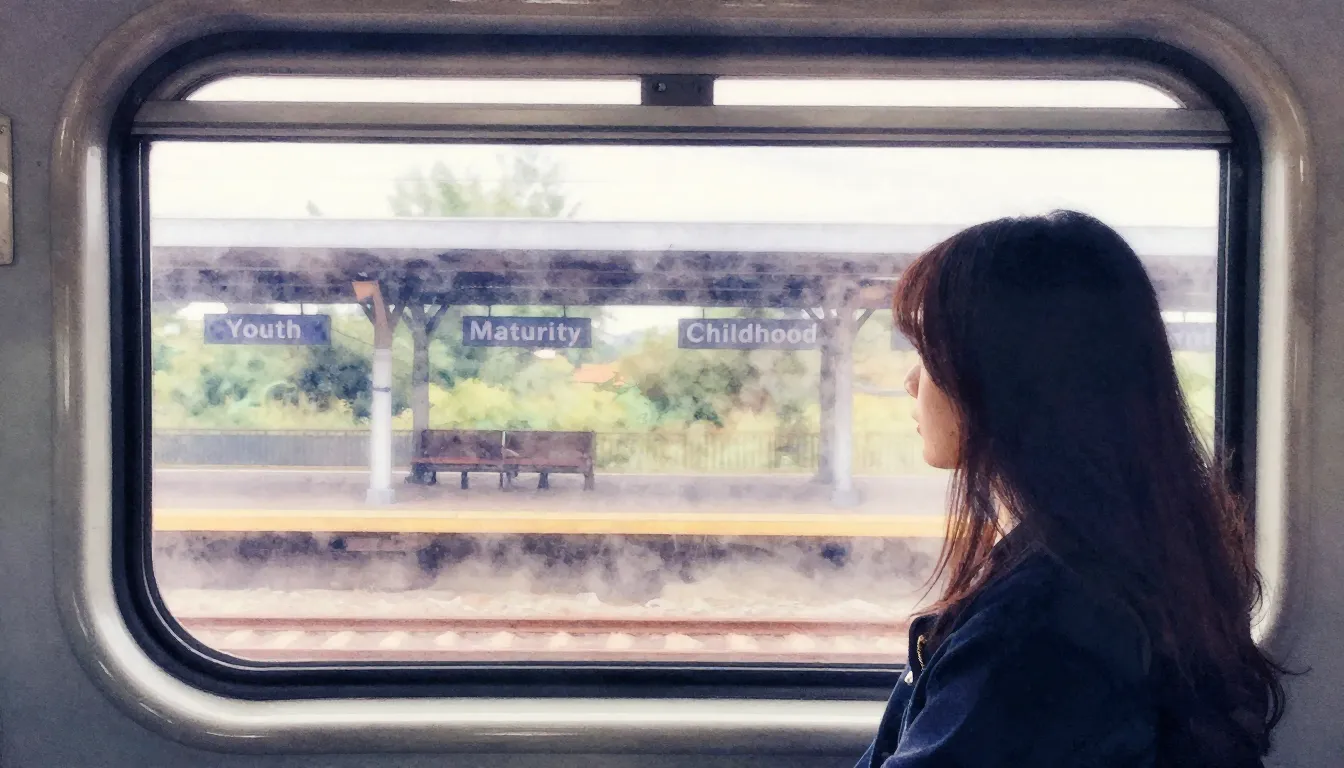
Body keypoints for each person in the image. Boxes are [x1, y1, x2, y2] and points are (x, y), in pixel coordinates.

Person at [859, 211, 1286, 767]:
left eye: (929, 352)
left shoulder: (1035, 631)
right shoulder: (1131, 560)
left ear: (1005, 377)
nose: (910, 380)